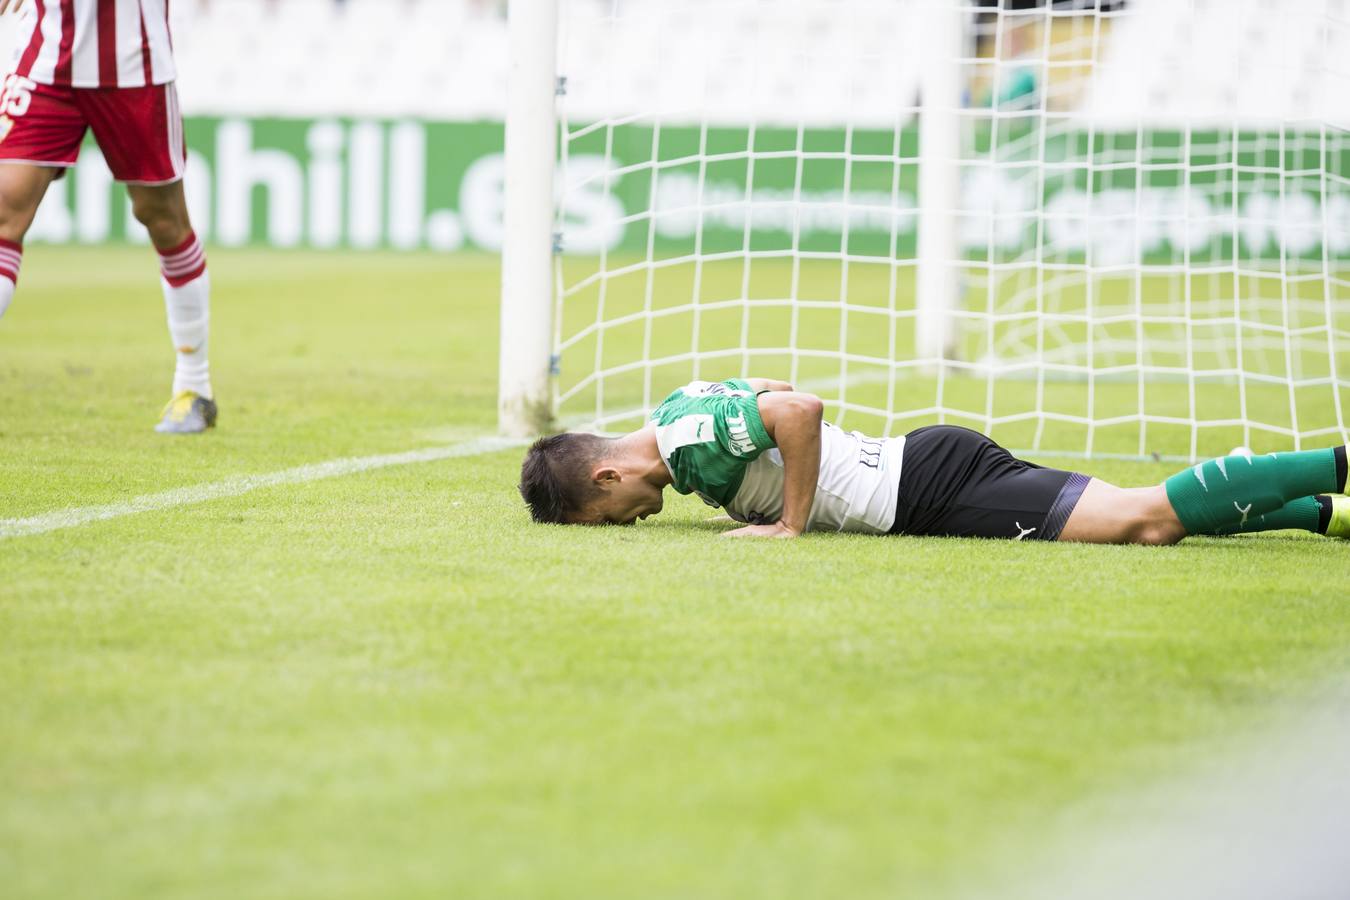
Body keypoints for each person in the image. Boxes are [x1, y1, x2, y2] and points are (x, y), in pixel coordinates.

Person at [518, 378, 1350, 543]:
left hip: (926, 490)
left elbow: (796, 408)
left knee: (1143, 519)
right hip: (923, 465)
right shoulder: (677, 416)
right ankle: (1316, 511)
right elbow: (771, 384)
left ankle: (1330, 465)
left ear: (605, 478)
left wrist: (792, 525)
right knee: (1146, 524)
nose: (627, 523)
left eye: (607, 517)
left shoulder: (686, 440)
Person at [0, 0, 216, 433]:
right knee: (4, 208)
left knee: (162, 216)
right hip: (45, 59)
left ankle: (194, 386)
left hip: (136, 66)